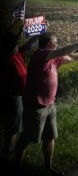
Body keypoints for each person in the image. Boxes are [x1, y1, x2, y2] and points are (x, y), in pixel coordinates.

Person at [15, 33, 78, 175]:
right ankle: (16, 166)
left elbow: (71, 57)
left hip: (50, 105)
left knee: (50, 136)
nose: (57, 44)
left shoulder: (53, 59)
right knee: (27, 137)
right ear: (47, 44)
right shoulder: (41, 54)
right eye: (55, 41)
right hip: (36, 104)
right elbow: (64, 51)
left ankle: (48, 167)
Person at [1, 29, 38, 161]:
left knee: (16, 126)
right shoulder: (7, 57)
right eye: (15, 44)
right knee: (13, 127)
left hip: (21, 97)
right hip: (13, 97)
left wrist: (40, 32)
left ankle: (9, 151)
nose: (18, 46)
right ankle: (7, 152)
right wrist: (17, 34)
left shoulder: (17, 54)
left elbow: (30, 45)